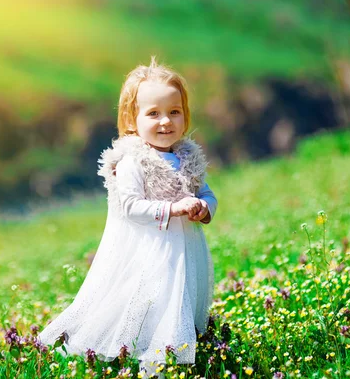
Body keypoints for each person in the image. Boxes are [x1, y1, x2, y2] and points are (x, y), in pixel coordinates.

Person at [38, 57, 217, 378]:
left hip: (184, 250)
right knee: (146, 300)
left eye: (174, 112)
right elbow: (130, 206)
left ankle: (170, 355)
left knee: (177, 299)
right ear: (132, 119)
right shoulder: (133, 161)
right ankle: (136, 356)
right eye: (153, 113)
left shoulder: (187, 156)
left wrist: (205, 208)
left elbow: (206, 193)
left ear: (185, 115)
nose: (165, 121)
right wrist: (173, 208)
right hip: (150, 249)